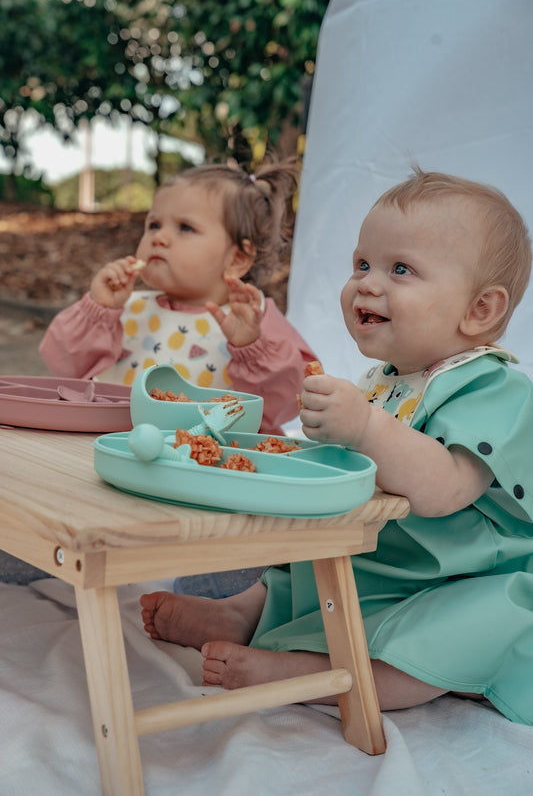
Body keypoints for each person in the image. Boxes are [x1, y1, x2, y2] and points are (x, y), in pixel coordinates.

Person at [140, 169, 533, 723]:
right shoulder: (385, 379)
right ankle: (239, 612)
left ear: (480, 310)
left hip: (457, 580)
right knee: (300, 563)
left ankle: (313, 675)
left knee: (455, 631)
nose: (368, 283)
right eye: (362, 264)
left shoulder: (494, 388)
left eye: (401, 269)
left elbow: (446, 489)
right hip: (384, 564)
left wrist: (367, 427)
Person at [39, 160, 317, 434]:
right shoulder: (125, 310)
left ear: (237, 259)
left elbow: (287, 401)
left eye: (185, 227)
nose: (159, 238)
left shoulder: (253, 321)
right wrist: (98, 310)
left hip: (205, 467)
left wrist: (251, 348)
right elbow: (67, 371)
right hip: (114, 451)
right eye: (154, 224)